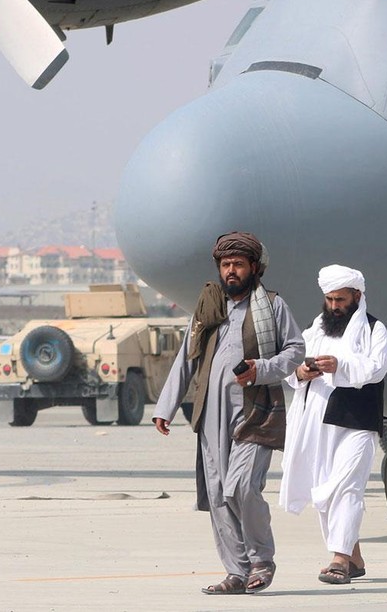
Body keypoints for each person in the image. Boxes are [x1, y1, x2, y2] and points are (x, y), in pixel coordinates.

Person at [153, 232, 304, 595]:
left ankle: (262, 560)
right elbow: (185, 359)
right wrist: (166, 407)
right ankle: (236, 572)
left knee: (242, 486)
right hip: (212, 416)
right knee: (219, 493)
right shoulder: (208, 307)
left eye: (238, 264)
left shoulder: (272, 306)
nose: (231, 271)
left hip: (257, 412)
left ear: (254, 267)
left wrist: (263, 368)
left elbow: (296, 350)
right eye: (225, 265)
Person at [279, 265, 387, 585]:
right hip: (317, 421)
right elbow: (291, 367)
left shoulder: (374, 330)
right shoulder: (316, 331)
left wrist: (340, 366)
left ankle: (339, 560)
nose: (333, 306)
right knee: (325, 491)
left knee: (346, 486)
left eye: (340, 299)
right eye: (329, 299)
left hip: (357, 421)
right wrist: (302, 373)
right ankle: (354, 557)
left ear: (357, 296)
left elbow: (377, 367)